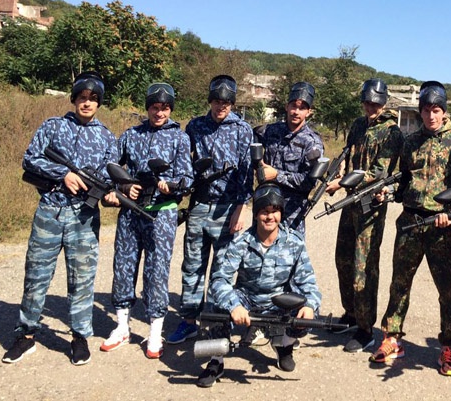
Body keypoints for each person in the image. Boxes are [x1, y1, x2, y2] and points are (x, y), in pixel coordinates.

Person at [3, 72, 118, 366]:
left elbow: (109, 177)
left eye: (93, 99)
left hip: (84, 218)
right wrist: (63, 174)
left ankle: (79, 338)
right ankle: (26, 335)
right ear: (74, 98)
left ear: (99, 103)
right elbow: (30, 159)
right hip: (50, 213)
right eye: (82, 97)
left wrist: (111, 193)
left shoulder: (106, 137)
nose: (87, 103)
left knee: (82, 281)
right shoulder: (53, 126)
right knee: (36, 276)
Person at [370, 80, 451, 376]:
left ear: (444, 111)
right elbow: (402, 182)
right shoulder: (410, 140)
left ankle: (449, 347)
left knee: (447, 290)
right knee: (399, 283)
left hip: (441, 226)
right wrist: (387, 194)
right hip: (410, 221)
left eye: (436, 110)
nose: (431, 115)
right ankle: (391, 338)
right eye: (426, 110)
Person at [100, 82, 193, 359]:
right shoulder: (131, 135)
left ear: (170, 109)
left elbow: (188, 178)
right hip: (131, 210)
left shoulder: (179, 138)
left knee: (157, 271)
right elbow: (111, 168)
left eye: (164, 108)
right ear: (148, 107)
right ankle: (122, 326)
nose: (159, 112)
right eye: (155, 107)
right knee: (124, 267)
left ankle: (154, 331)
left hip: (162, 212)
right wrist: (123, 188)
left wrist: (171, 185)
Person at [197, 183, 322, 387]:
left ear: (281, 213)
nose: (269, 217)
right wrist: (234, 306)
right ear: (256, 214)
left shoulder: (295, 242)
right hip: (247, 297)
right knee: (217, 307)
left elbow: (308, 282)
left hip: (279, 300)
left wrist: (309, 306)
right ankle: (215, 361)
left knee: (308, 314)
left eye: (274, 211)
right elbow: (219, 279)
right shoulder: (241, 243)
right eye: (264, 211)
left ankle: (284, 345)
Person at [167, 75, 254, 345]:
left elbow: (246, 172)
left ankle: (215, 323)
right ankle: (189, 320)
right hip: (200, 206)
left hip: (228, 207)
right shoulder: (195, 126)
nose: (221, 107)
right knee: (192, 266)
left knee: (223, 270)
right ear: (210, 101)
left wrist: (242, 207)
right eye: (217, 101)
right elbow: (184, 163)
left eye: (227, 103)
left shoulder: (242, 129)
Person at [326, 78, 404, 353]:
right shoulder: (358, 125)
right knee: (343, 258)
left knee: (364, 266)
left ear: (384, 103)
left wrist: (344, 182)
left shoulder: (392, 132)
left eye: (376, 103)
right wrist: (339, 171)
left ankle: (365, 328)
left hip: (370, 205)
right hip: (350, 203)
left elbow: (380, 173)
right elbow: (348, 154)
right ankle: (351, 313)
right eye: (367, 102)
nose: (371, 107)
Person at [257, 81, 324, 235]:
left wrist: (277, 175)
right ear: (286, 107)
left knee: (290, 256)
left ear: (309, 112)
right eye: (293, 106)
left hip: (292, 212)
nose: (296, 111)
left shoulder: (312, 142)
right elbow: (248, 143)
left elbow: (309, 181)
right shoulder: (270, 131)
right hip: (266, 207)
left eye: (302, 108)